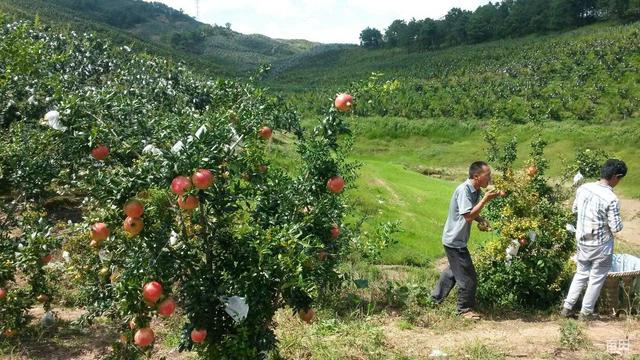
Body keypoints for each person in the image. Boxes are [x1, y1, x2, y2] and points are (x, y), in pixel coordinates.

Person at [431, 161, 499, 320]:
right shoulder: (464, 190)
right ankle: (464, 310)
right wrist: (485, 201)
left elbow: (470, 213)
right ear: (476, 176)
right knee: (468, 277)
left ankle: (434, 299)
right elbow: (468, 216)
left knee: (452, 273)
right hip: (455, 241)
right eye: (487, 175)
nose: (490, 178)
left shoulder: (474, 190)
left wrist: (481, 219)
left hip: (456, 239)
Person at [561, 159, 627, 320]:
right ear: (616, 177)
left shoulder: (584, 188)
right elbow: (616, 227)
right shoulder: (611, 198)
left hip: (582, 240)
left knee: (581, 273)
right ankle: (586, 313)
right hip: (601, 245)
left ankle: (567, 308)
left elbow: (575, 209)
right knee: (596, 278)